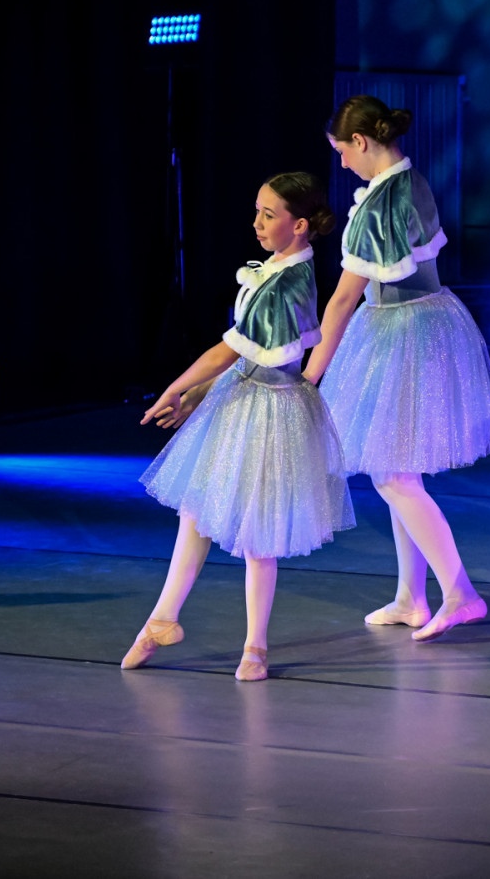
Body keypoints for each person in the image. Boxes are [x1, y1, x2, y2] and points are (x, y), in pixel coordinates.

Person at [127, 173, 354, 681]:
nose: (256, 223)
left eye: (268, 215)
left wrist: (176, 387)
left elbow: (227, 351)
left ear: (299, 225)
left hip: (271, 411)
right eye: (257, 211)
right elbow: (242, 355)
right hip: (242, 397)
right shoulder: (271, 269)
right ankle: (162, 619)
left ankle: (256, 647)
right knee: (196, 511)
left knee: (258, 532)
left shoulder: (290, 282)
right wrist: (200, 394)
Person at [306, 95, 490, 641]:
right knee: (398, 467)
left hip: (400, 332)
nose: (342, 162)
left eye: (342, 151)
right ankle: (410, 597)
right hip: (423, 323)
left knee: (392, 475)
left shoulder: (379, 205)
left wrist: (310, 374)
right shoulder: (411, 182)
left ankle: (460, 593)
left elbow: (343, 300)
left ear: (361, 142)